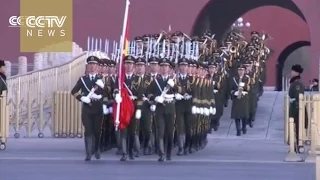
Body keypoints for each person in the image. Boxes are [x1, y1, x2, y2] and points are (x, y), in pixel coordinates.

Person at [71, 56, 105, 161]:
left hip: (98, 107)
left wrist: (101, 97)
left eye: (94, 64)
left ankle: (97, 149)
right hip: (87, 108)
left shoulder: (101, 79)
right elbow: (74, 91)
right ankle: (88, 153)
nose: (92, 66)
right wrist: (82, 98)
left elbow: (108, 92)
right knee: (88, 130)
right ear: (87, 66)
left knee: (97, 130)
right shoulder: (83, 79)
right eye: (90, 64)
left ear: (97, 66)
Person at [288, 64, 305, 153]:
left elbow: (299, 95)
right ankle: (293, 144)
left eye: (293, 71)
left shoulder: (298, 83)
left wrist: (295, 102)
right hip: (293, 106)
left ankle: (298, 144)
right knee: (293, 127)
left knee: (298, 127)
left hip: (297, 107)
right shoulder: (294, 82)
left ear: (297, 72)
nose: (291, 72)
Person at [230, 64, 250, 136]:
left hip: (244, 99)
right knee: (237, 116)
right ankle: (238, 130)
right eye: (239, 70)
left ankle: (244, 127)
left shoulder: (247, 78)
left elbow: (249, 88)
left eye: (242, 70)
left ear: (244, 71)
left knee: (244, 115)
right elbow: (230, 89)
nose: (240, 71)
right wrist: (234, 93)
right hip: (236, 99)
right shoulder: (234, 79)